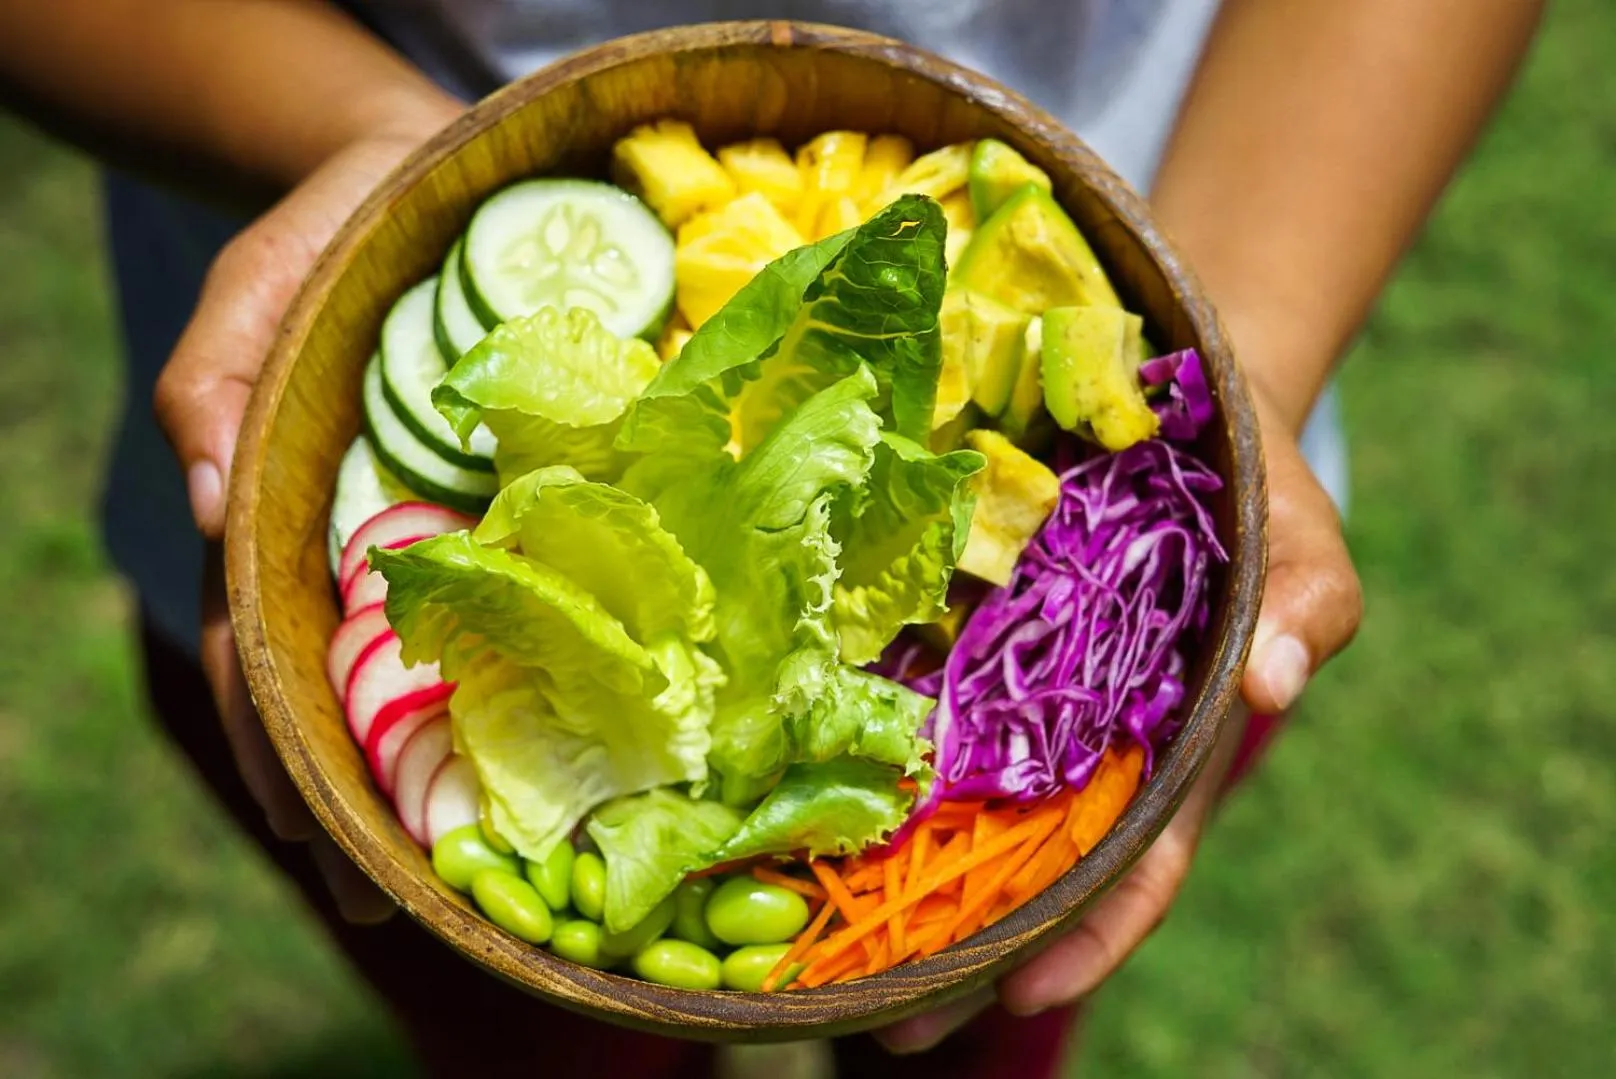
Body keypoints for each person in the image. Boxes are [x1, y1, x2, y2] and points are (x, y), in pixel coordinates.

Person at [0, 1, 1543, 1075]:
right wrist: (396, 147)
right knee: (533, 1049)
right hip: (319, 204)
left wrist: (1249, 345)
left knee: (981, 1032)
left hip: (1209, 191)